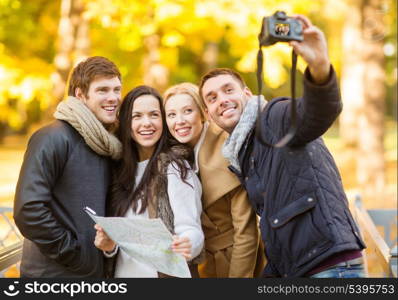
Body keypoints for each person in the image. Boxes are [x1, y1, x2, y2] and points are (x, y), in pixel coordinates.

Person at [198, 15, 366, 278]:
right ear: (209, 115)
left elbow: (318, 112)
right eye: (212, 97)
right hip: (299, 268)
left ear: (247, 95)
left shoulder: (273, 117)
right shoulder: (243, 151)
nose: (222, 100)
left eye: (228, 90)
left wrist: (320, 67)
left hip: (330, 265)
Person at [13, 56, 123, 277]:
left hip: (91, 276)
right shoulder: (52, 137)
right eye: (103, 90)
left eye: (117, 90)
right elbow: (29, 210)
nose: (113, 98)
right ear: (80, 95)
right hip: (52, 277)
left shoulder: (105, 143)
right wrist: (75, 255)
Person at [93, 85, 204, 278]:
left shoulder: (175, 168)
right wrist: (108, 246)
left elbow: (191, 228)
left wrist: (188, 243)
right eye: (137, 116)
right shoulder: (117, 172)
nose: (146, 123)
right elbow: (120, 242)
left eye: (154, 115)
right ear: (126, 122)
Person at [163, 82, 265, 277]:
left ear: (203, 113)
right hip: (202, 261)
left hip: (237, 258)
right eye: (172, 114)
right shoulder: (173, 157)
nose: (180, 121)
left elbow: (246, 232)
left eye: (187, 111)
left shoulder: (226, 150)